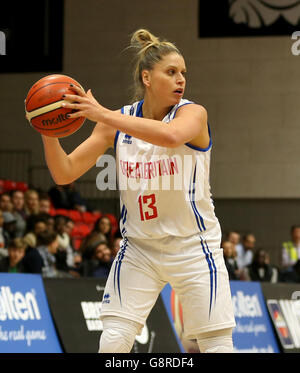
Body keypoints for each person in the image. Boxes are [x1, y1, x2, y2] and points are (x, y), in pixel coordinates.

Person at [30, 29, 236, 353]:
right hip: (140, 248)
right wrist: (46, 127)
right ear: (147, 77)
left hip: (193, 246)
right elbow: (64, 172)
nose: (181, 79)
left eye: (183, 73)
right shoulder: (115, 121)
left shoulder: (193, 114)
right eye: (171, 72)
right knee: (113, 340)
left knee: (217, 345)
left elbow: (170, 136)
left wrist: (101, 113)